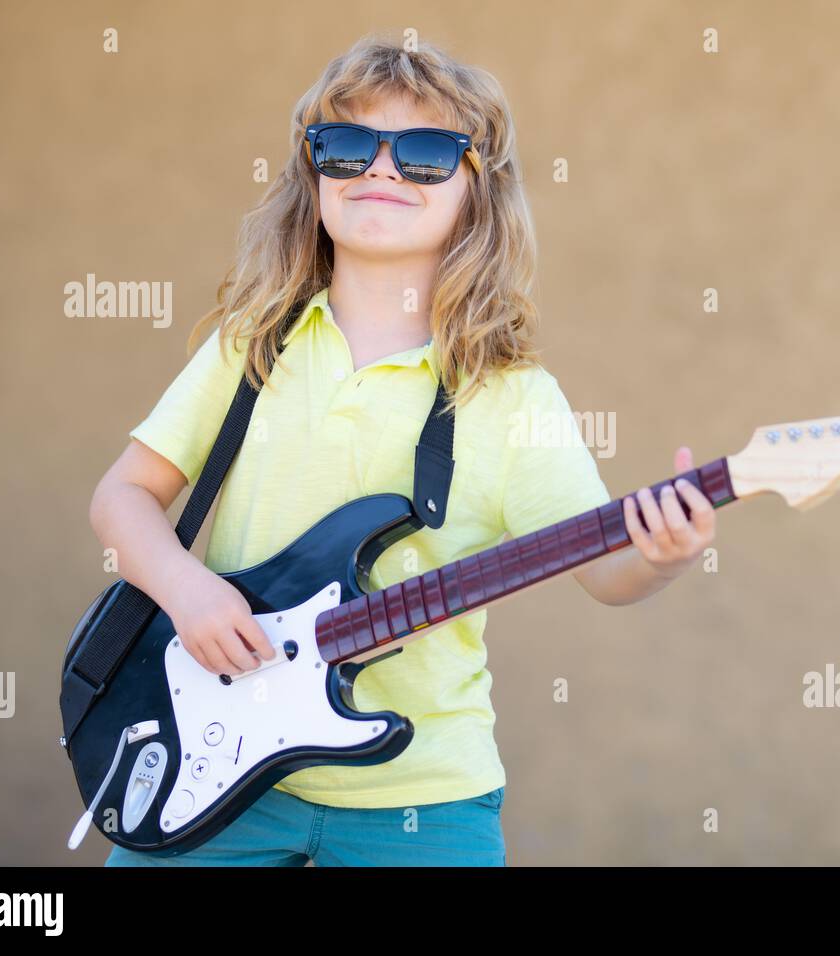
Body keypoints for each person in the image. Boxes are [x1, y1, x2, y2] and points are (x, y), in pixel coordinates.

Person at [90, 34, 715, 866]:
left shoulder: (509, 395)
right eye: (346, 146)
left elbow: (602, 569)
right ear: (313, 178)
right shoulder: (253, 346)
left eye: (424, 152)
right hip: (218, 775)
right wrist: (187, 589)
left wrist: (662, 555)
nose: (380, 170)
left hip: (423, 798)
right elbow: (122, 497)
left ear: (477, 193)